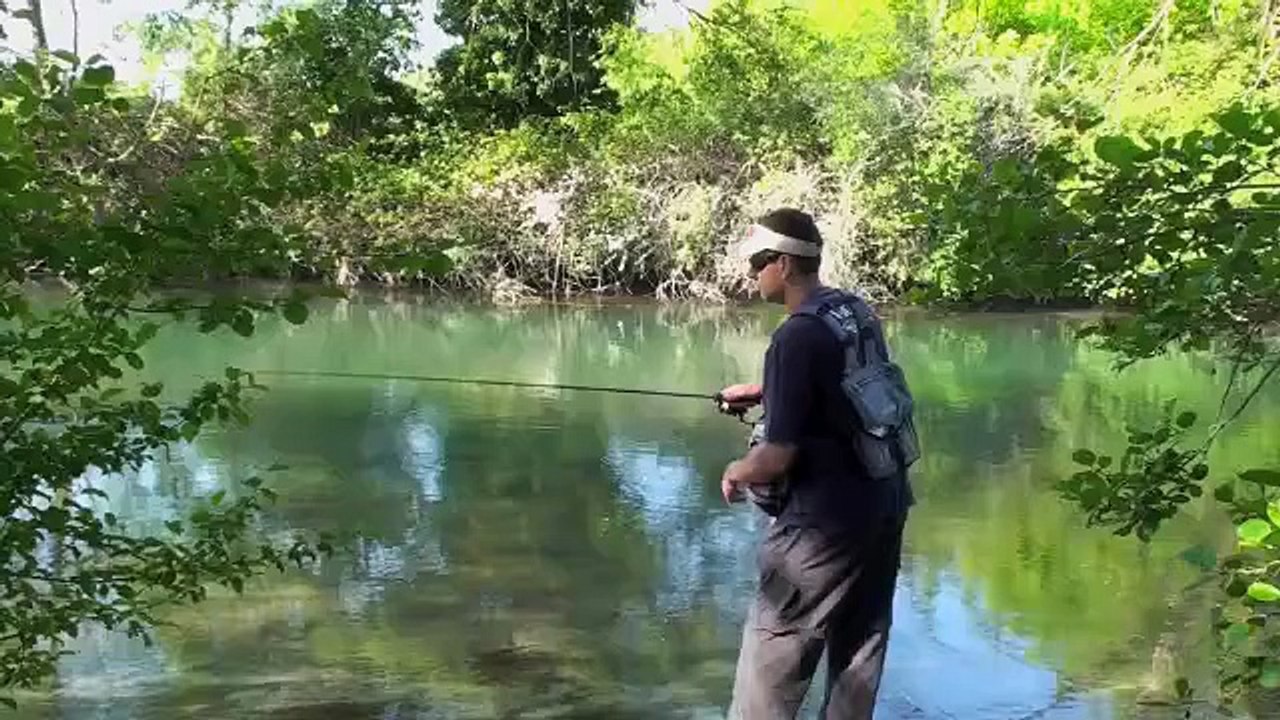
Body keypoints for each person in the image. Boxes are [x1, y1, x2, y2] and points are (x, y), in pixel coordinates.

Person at [716, 208, 914, 720]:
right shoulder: (852, 310)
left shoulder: (794, 337)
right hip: (884, 505)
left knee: (771, 666)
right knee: (859, 652)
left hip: (821, 529)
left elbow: (775, 457)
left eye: (757, 263)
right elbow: (851, 387)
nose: (752, 274)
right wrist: (765, 391)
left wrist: (737, 470)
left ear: (783, 264)